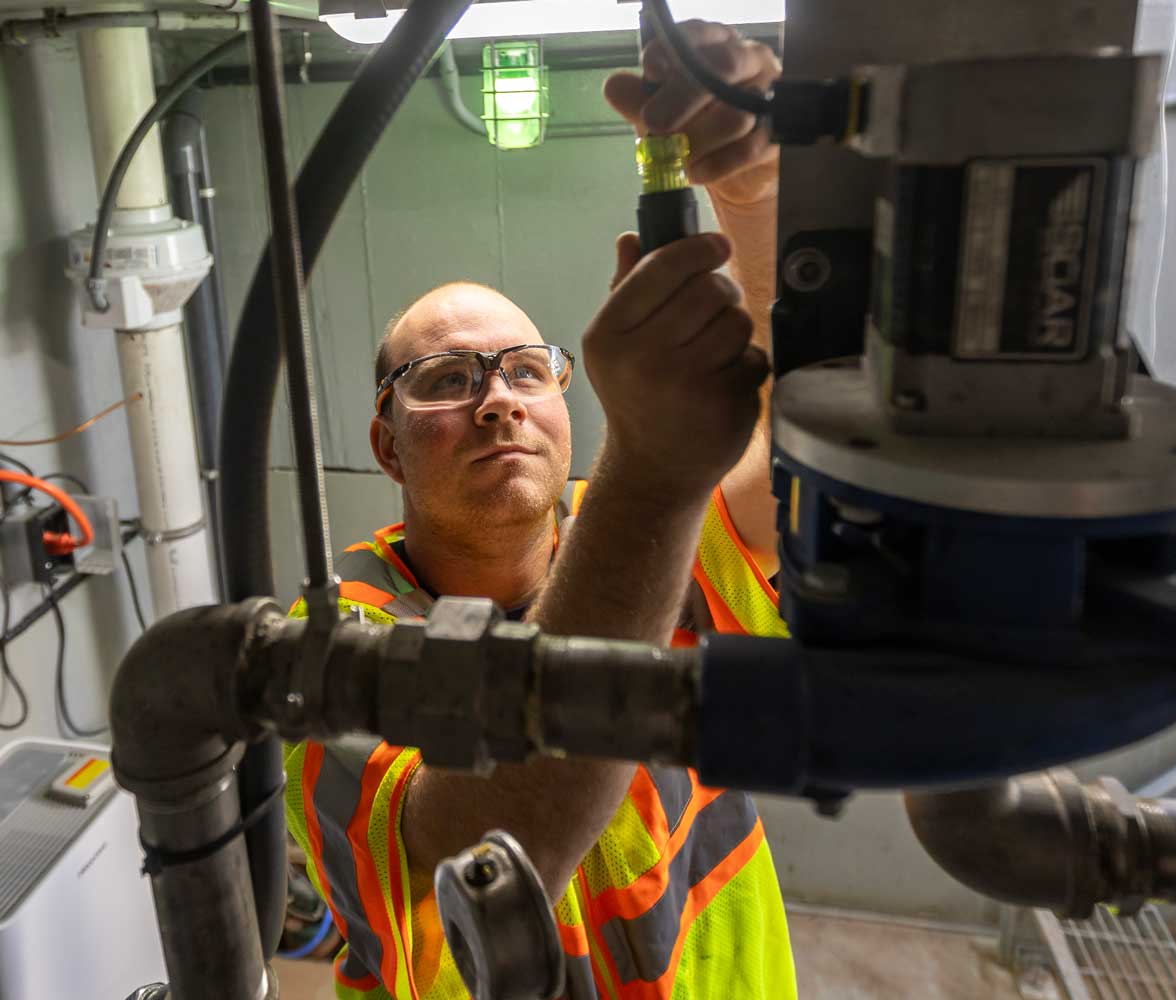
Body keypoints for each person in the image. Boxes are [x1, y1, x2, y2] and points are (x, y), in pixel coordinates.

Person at [281, 21, 798, 1000]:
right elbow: (474, 860)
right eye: (445, 378)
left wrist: (754, 190)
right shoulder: (331, 646)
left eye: (525, 368)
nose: (498, 397)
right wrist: (648, 468)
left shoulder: (667, 542)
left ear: (566, 399)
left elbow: (793, 438)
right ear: (387, 443)